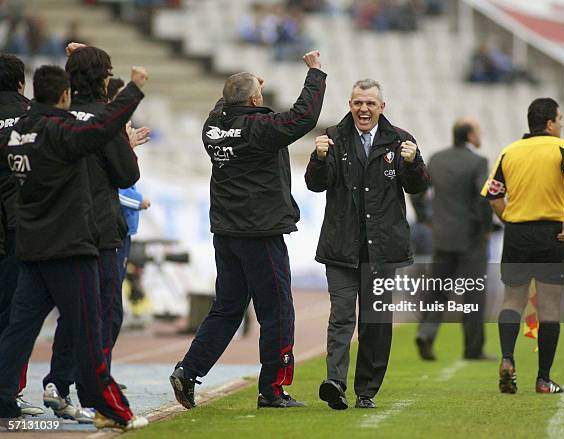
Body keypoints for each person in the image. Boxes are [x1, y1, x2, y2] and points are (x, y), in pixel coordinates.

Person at [169, 50, 326, 409]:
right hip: (260, 233)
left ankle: (188, 370)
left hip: (226, 232)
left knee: (226, 308)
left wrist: (247, 90)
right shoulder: (260, 128)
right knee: (278, 311)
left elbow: (228, 102)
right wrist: (315, 73)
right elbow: (303, 117)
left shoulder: (212, 125)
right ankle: (272, 389)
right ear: (255, 99)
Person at [0, 64, 149, 430]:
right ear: (64, 96)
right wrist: (132, 89)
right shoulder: (63, 132)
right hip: (70, 247)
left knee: (18, 331)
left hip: (32, 247)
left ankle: (3, 397)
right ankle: (112, 410)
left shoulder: (17, 132)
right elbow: (100, 127)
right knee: (89, 331)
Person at [305, 78, 429, 410]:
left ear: (381, 107)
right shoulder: (332, 138)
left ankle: (367, 390)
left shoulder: (401, 141)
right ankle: (335, 382)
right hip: (341, 247)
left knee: (375, 323)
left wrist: (414, 162)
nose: (363, 109)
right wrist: (318, 159)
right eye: (358, 103)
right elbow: (315, 185)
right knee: (341, 317)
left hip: (383, 250)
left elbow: (417, 187)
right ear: (349, 105)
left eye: (370, 104)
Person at [42, 47, 150, 422]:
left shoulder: (54, 117)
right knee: (103, 314)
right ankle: (96, 393)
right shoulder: (103, 120)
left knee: (64, 313)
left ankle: (56, 382)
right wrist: (128, 147)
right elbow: (126, 175)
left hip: (55, 228)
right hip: (101, 230)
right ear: (104, 79)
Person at [481, 98, 564, 394]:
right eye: (560, 119)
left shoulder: (509, 151)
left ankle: (507, 359)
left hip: (517, 233)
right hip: (552, 234)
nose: (562, 124)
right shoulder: (562, 147)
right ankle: (543, 379)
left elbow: (493, 195)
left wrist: (510, 221)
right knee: (549, 305)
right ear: (550, 123)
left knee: (512, 301)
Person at [415, 118, 494, 361]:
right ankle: (473, 349)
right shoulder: (478, 161)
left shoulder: (437, 158)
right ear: (470, 136)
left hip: (441, 236)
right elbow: (484, 196)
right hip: (471, 238)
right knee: (473, 294)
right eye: (479, 131)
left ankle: (426, 333)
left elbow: (417, 189)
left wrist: (425, 217)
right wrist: (487, 227)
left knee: (437, 291)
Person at [0, 52, 44, 416]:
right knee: (17, 311)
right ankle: (8, 392)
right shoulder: (30, 114)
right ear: (20, 82)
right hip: (20, 224)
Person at [117, 185, 150, 285]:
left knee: (119, 277)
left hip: (125, 232)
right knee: (115, 280)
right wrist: (139, 201)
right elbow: (119, 194)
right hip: (118, 233)